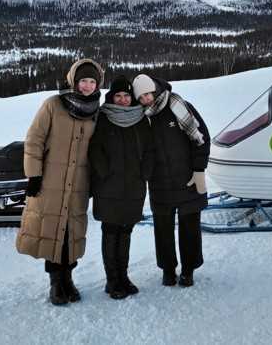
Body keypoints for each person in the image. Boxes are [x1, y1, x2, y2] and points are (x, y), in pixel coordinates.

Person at [16, 58, 104, 305]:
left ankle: (68, 279)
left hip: (79, 184)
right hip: (50, 182)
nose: (87, 86)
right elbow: (34, 140)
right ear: (73, 81)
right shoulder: (53, 105)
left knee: (71, 233)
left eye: (91, 81)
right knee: (52, 231)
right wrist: (33, 174)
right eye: (83, 81)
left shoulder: (97, 111)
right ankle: (56, 282)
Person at [132, 74, 210, 288]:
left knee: (189, 227)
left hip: (187, 178)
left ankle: (188, 270)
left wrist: (199, 169)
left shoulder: (178, 105)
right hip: (159, 183)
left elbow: (201, 138)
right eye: (141, 97)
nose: (146, 100)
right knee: (163, 229)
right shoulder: (141, 117)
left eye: (148, 94)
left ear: (155, 90)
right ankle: (168, 269)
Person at [89, 76, 153, 299]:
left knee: (126, 231)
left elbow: (150, 150)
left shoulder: (141, 119)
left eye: (127, 95)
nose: (123, 100)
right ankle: (112, 280)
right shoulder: (103, 118)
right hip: (109, 186)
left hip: (134, 186)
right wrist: (105, 172)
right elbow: (94, 149)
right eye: (118, 95)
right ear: (111, 97)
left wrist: (144, 173)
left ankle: (123, 277)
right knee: (111, 231)